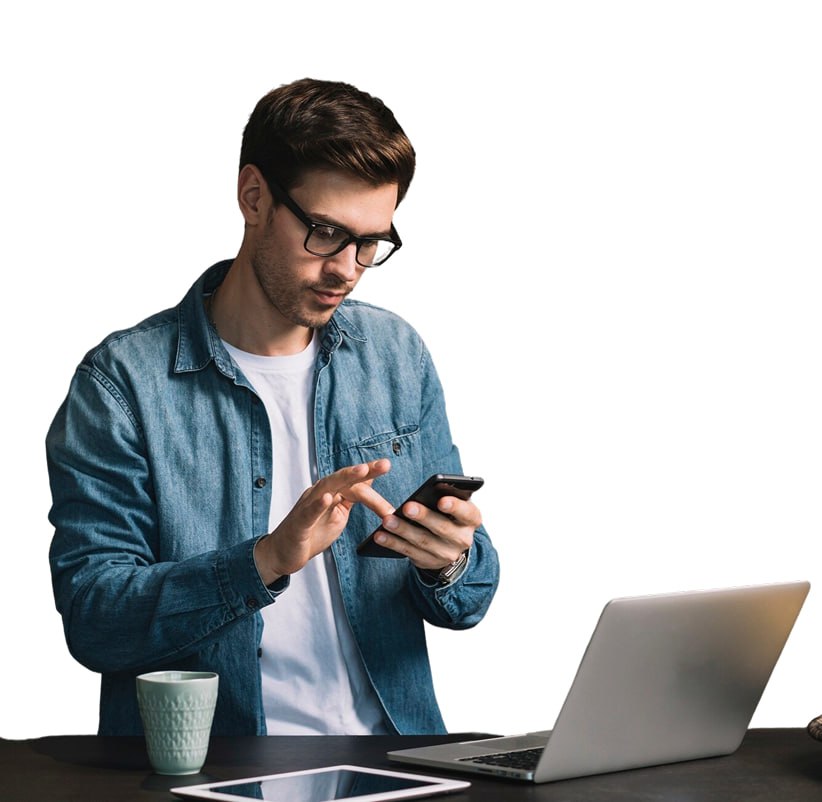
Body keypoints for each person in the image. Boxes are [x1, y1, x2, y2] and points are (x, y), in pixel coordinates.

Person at [46, 77, 500, 737]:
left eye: (371, 243)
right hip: (222, 770)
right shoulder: (123, 387)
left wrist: (449, 560)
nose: (348, 268)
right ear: (253, 196)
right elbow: (95, 621)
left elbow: (470, 597)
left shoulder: (396, 356)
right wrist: (267, 559)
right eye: (325, 232)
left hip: (398, 760)